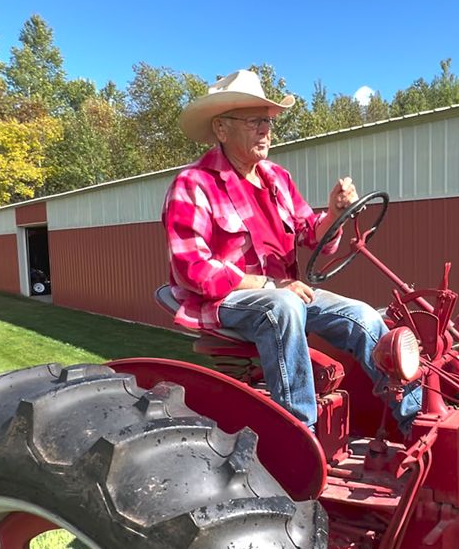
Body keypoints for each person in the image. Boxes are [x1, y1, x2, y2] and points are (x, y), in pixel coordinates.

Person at [162, 69, 421, 433]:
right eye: (254, 121)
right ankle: (300, 434)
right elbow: (192, 269)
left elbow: (313, 237)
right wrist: (268, 286)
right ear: (221, 128)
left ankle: (415, 417)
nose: (266, 130)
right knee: (281, 308)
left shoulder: (276, 179)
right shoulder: (193, 185)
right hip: (226, 300)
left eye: (267, 121)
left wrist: (333, 214)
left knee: (361, 315)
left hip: (288, 292)